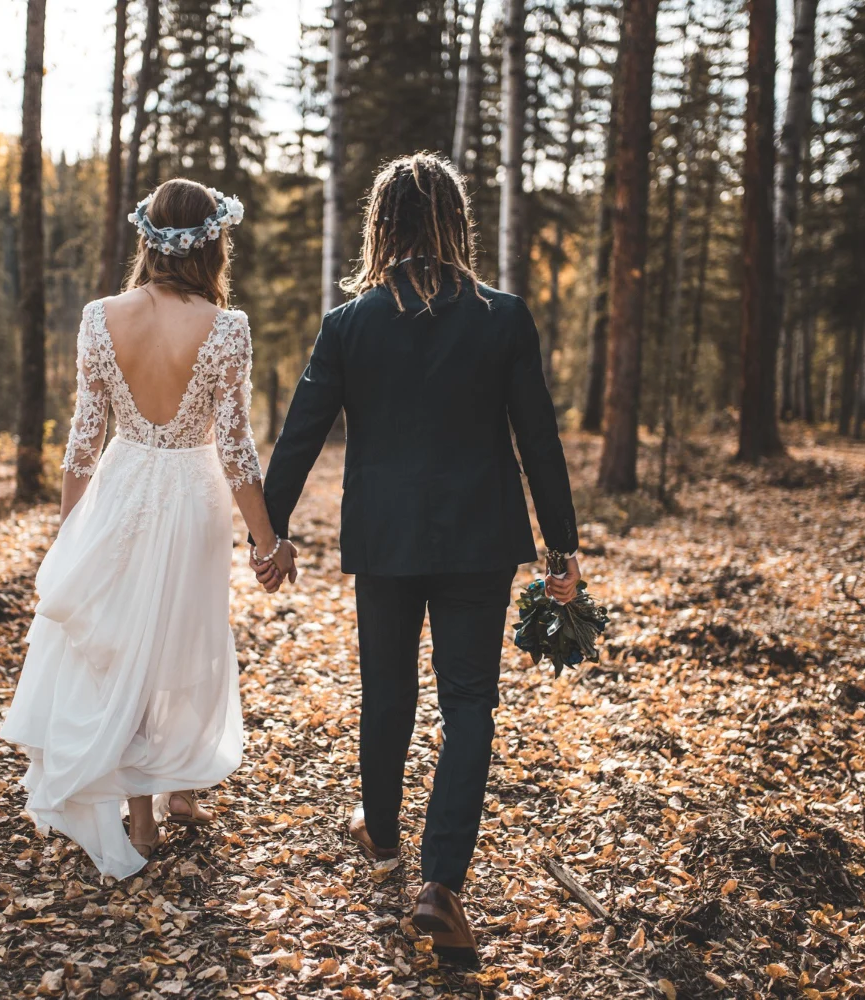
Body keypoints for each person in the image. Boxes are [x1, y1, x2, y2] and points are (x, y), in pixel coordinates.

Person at [257, 153, 583, 965]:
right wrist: (562, 550)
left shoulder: (349, 325)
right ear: (455, 224)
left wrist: (269, 533)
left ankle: (383, 835)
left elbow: (301, 434)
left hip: (386, 539)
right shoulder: (503, 318)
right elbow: (538, 439)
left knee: (388, 689)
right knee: (470, 704)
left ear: (381, 227)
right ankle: (440, 883)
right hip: (480, 539)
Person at [0, 179, 296, 881]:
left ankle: (145, 809)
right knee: (186, 632)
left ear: (148, 239)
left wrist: (75, 533)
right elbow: (236, 449)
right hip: (194, 494)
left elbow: (83, 440)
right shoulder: (226, 328)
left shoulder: (101, 317)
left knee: (127, 634)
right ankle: (180, 787)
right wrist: (266, 541)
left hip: (123, 486)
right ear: (212, 244)